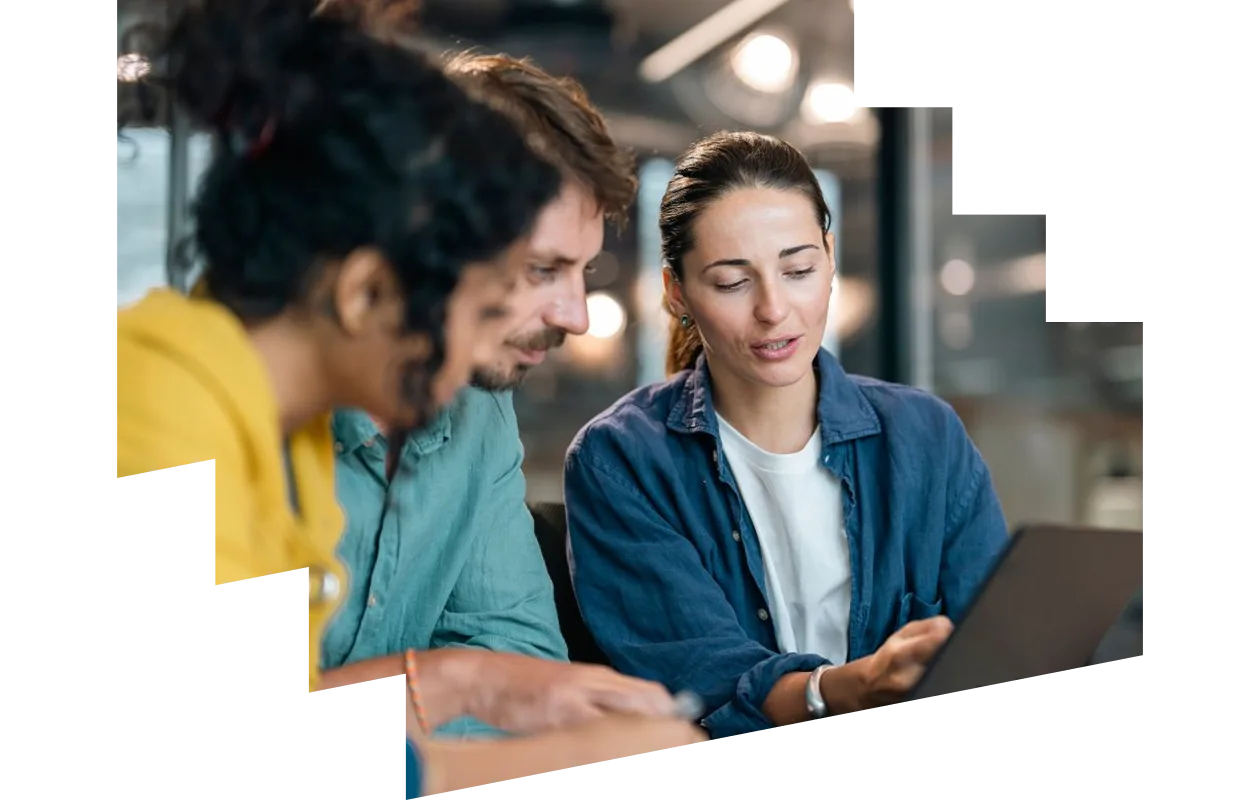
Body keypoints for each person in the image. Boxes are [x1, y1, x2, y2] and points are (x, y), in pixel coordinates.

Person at [114, 1, 702, 793]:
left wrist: (471, 685)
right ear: (364, 292)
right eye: (475, 306)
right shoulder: (153, 409)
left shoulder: (282, 433)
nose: (475, 349)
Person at [563, 131, 1010, 742]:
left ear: (829, 259)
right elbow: (701, 682)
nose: (774, 309)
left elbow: (999, 644)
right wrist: (841, 690)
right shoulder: (620, 460)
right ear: (678, 293)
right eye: (730, 283)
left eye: (798, 269)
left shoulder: (927, 437)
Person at [320, 47, 644, 740]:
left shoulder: (480, 412)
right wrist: (454, 684)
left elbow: (523, 667)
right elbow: (498, 688)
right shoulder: (222, 408)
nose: (577, 316)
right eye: (542, 268)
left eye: (584, 270)